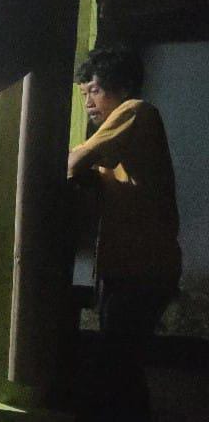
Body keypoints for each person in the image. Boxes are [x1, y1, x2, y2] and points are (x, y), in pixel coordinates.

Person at [67, 48, 180, 420]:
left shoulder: (135, 111)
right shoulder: (121, 141)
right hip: (129, 267)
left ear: (124, 87)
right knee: (122, 368)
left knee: (116, 366)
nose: (88, 102)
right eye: (84, 93)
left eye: (95, 90)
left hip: (143, 269)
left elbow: (73, 163)